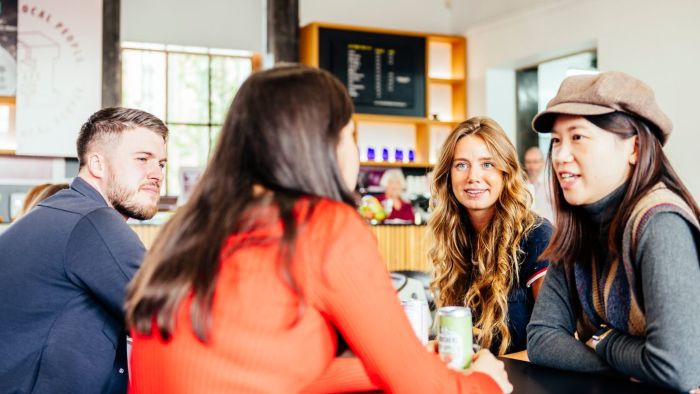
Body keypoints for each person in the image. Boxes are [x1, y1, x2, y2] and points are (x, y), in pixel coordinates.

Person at [125, 65, 512, 394]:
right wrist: (485, 381)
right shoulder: (324, 227)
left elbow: (278, 367)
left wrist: (397, 360)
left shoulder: (191, 227)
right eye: (350, 137)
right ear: (325, 146)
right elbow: (421, 388)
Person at [527, 71, 700, 392]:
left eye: (577, 136)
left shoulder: (660, 224)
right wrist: (634, 364)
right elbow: (541, 339)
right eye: (556, 141)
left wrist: (602, 340)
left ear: (634, 147)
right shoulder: (579, 227)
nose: (561, 156)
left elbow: (678, 368)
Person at [0, 107, 168, 393]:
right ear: (97, 165)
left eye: (162, 164)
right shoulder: (93, 221)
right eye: (143, 159)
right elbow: (168, 313)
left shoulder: (59, 211)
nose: (156, 174)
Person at [429, 116, 553, 356]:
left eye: (487, 164)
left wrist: (492, 366)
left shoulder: (537, 236)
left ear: (505, 172)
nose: (473, 177)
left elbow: (556, 342)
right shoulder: (455, 235)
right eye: (461, 165)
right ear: (448, 175)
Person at [523, 146, 554, 222]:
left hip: (550, 229)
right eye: (528, 162)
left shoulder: (551, 184)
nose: (531, 166)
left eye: (535, 162)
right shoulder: (522, 184)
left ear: (543, 162)